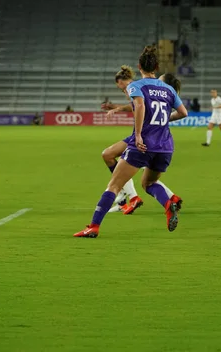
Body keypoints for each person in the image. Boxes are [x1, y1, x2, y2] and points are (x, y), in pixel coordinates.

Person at [74, 46, 188, 238]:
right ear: (156, 67)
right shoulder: (168, 89)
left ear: (139, 66)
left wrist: (138, 135)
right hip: (166, 146)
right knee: (149, 183)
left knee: (114, 186)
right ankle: (169, 204)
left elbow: (140, 106)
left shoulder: (136, 86)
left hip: (143, 144)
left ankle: (93, 226)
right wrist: (162, 121)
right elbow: (184, 113)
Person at [101, 68, 183, 215]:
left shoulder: (146, 88)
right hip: (157, 140)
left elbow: (138, 106)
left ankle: (131, 197)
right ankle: (171, 198)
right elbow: (136, 106)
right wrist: (117, 108)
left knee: (115, 159)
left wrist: (117, 109)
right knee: (146, 176)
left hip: (144, 137)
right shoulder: (157, 91)